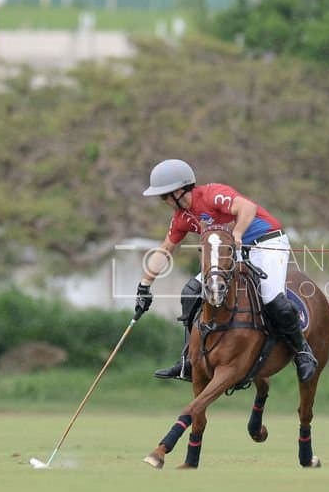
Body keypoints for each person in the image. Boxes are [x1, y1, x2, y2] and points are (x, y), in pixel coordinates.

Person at [134, 158, 318, 383]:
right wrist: (144, 285)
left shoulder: (212, 194)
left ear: (180, 191)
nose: (163, 201)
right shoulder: (182, 218)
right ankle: (189, 359)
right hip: (230, 249)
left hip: (266, 241)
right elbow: (165, 250)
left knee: (271, 298)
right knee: (192, 290)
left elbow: (247, 207)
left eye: (164, 196)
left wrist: (238, 232)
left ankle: (302, 352)